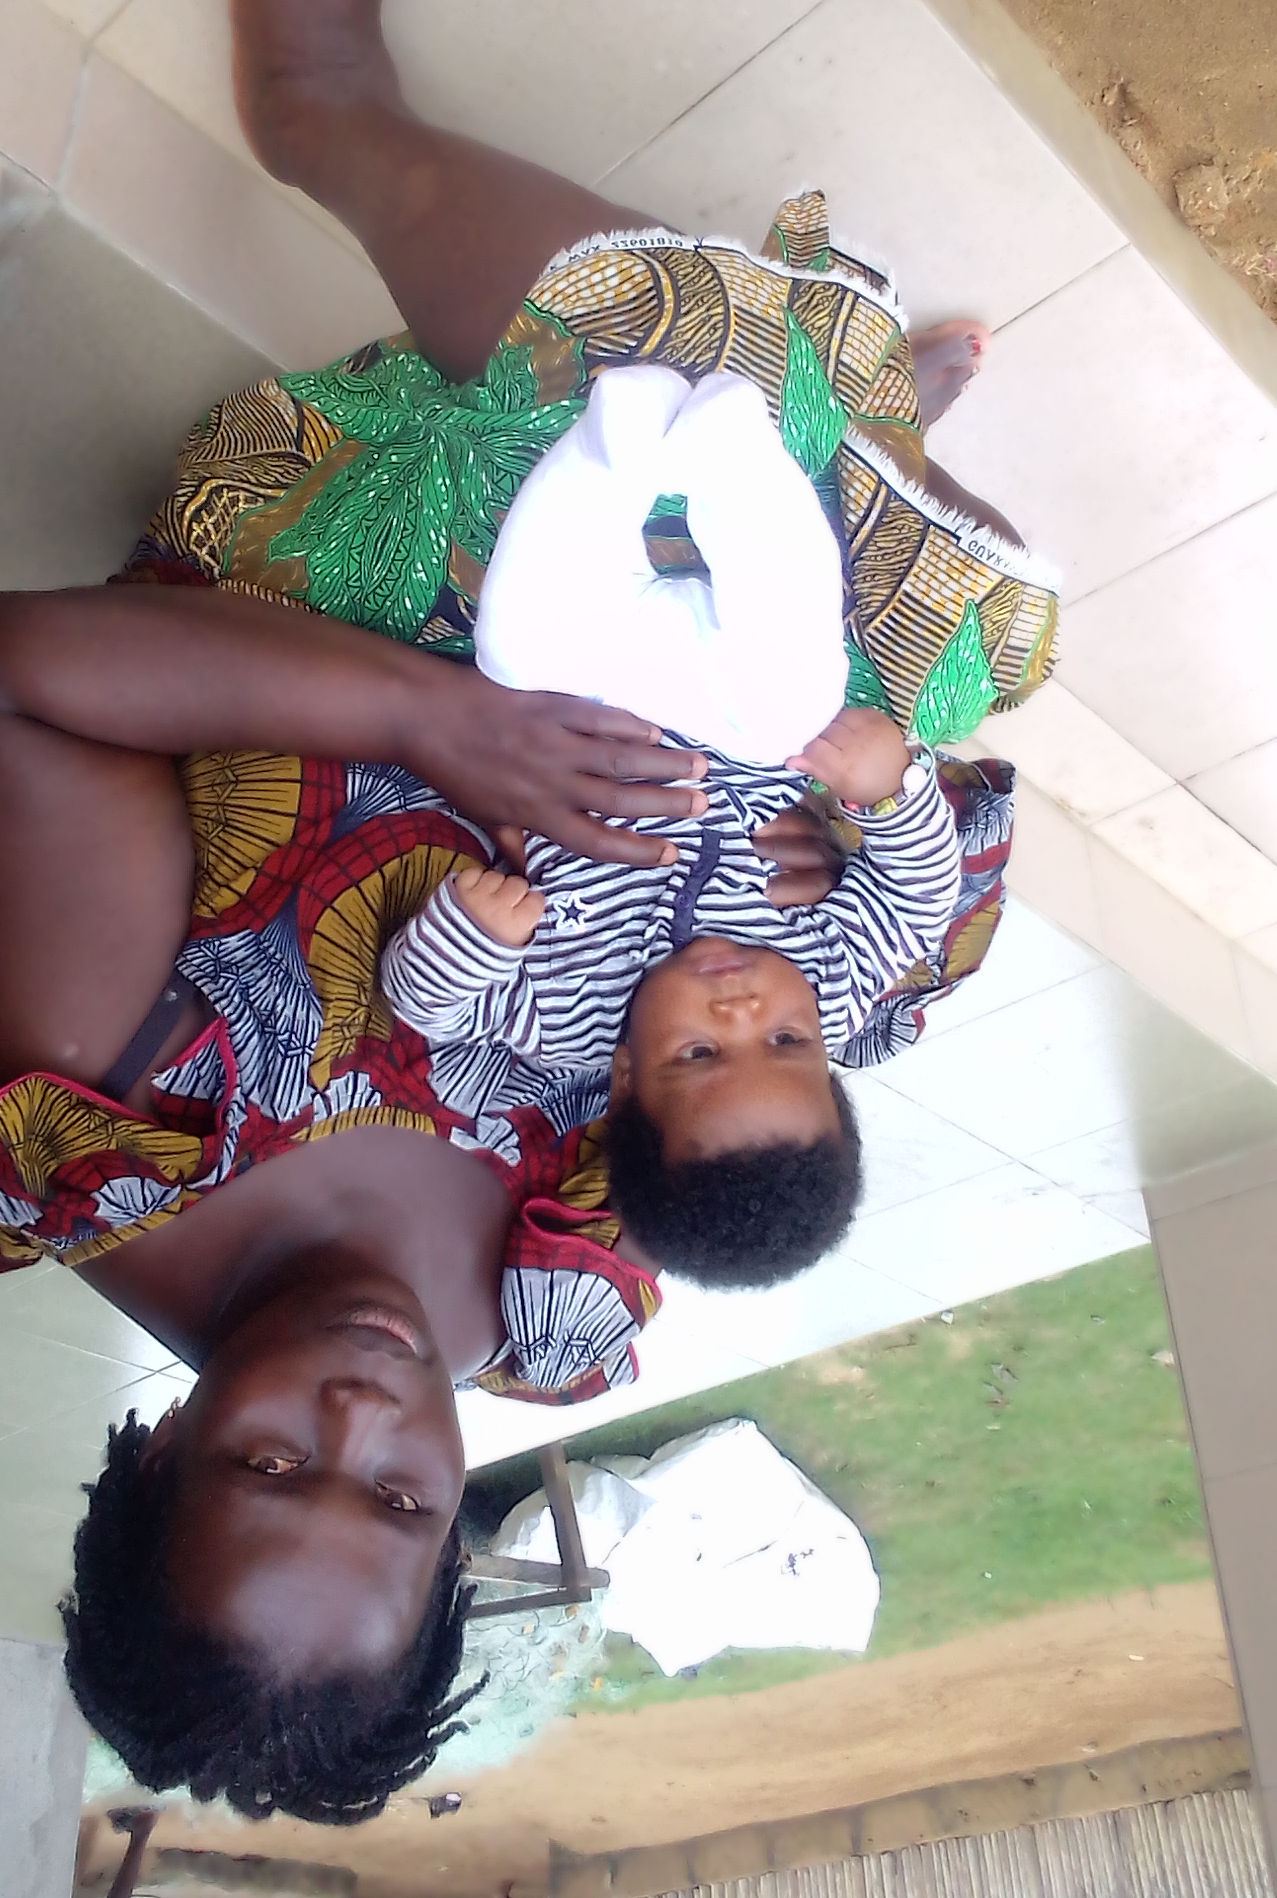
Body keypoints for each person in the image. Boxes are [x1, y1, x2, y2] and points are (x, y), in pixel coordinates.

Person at [0, 0, 1052, 1827]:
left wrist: (445, 726)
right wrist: (810, 887)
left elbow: (22, 682)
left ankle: (330, 108)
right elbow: (739, 1054)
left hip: (353, 593)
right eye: (406, 1498)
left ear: (156, 1455)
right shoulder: (549, 1308)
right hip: (671, 724)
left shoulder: (107, 1135)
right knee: (935, 677)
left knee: (600, 365)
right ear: (460, 1536)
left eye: (271, 1463)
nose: (363, 1414)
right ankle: (789, 455)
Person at [378, 363, 972, 1285]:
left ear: (625, 1079)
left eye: (700, 1053)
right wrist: (888, 791)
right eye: (787, 1043)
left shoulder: (564, 1016)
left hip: (581, 700)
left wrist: (474, 937)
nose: (743, 1012)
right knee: (796, 693)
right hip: (744, 716)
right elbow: (921, 899)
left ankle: (617, 440)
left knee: (513, 647)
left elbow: (424, 1005)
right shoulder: (840, 982)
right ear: (829, 1059)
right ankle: (733, 454)